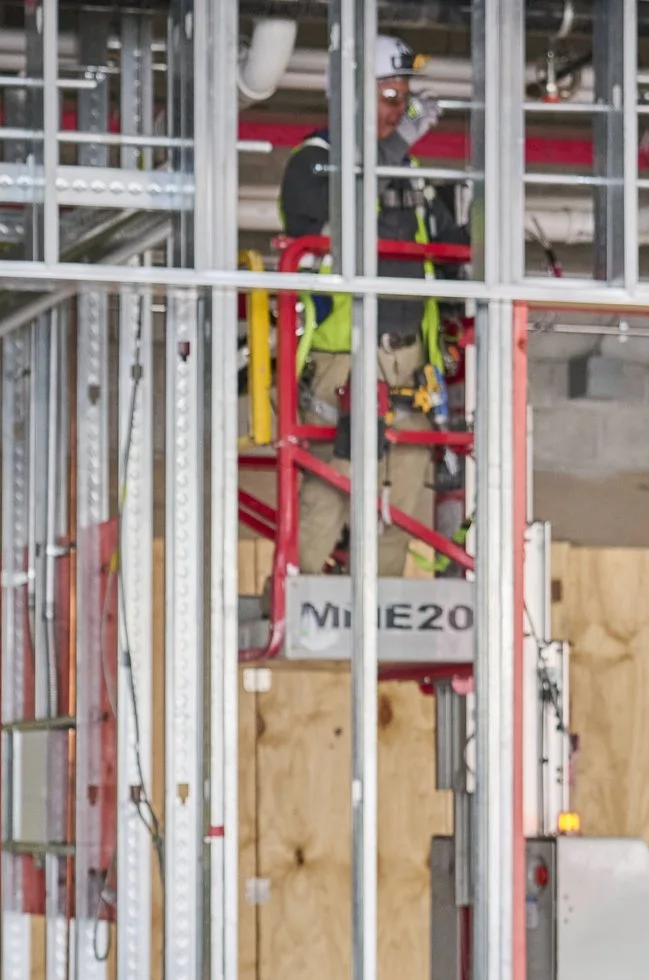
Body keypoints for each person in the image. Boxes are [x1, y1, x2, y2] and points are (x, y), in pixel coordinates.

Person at [279, 33, 452, 576]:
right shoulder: (315, 163)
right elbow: (337, 216)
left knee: (401, 489)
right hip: (344, 352)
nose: (399, 111)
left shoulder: (410, 173)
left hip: (408, 357)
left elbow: (445, 249)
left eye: (404, 98)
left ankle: (384, 601)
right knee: (334, 478)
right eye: (389, 96)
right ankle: (303, 589)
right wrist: (394, 148)